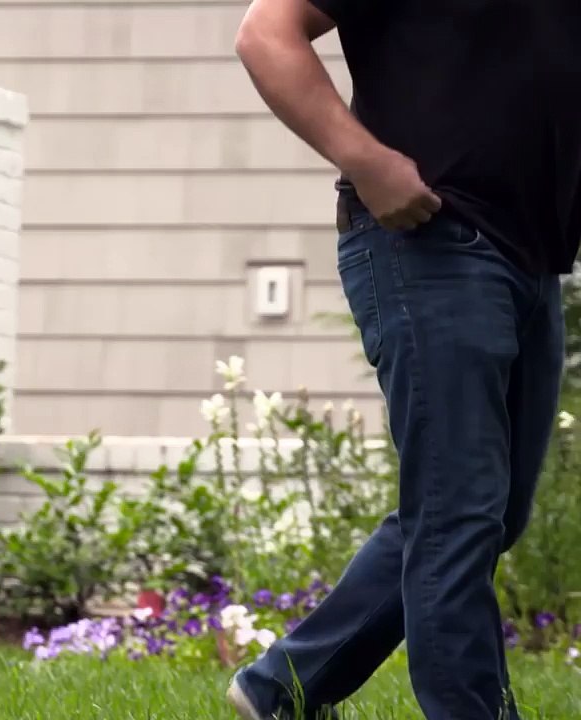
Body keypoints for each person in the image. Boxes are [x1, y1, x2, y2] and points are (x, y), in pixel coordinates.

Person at [227, 0, 581, 717]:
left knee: (488, 511)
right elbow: (266, 33)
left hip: (533, 259)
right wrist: (367, 162)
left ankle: (283, 685)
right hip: (431, 238)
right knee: (460, 509)